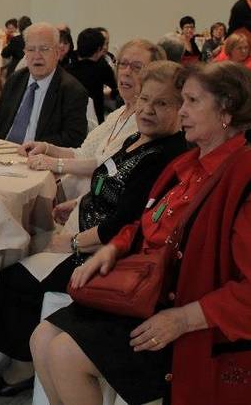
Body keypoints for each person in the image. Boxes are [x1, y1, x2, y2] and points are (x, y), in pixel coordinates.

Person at [31, 61, 251, 405]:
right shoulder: (190, 162)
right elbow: (145, 222)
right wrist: (112, 249)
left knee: (65, 355)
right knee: (41, 338)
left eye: (192, 102)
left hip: (191, 320)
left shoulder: (241, 176)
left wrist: (183, 318)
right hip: (145, 291)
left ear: (225, 110)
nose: (182, 112)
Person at [0, 61, 187, 398]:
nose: (147, 109)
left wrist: (73, 242)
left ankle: (18, 368)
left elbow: (123, 225)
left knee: (15, 276)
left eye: (162, 103)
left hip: (105, 261)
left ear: (181, 109)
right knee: (34, 314)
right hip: (88, 239)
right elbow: (109, 187)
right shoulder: (138, 139)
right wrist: (78, 206)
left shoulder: (162, 155)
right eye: (144, 100)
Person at [21, 39, 166, 198]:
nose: (126, 71)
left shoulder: (147, 121)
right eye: (122, 64)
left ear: (154, 78)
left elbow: (109, 164)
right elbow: (83, 153)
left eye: (137, 67)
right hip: (72, 194)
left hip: (96, 202)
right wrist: (47, 148)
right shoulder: (118, 113)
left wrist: (55, 164)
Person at [0, 22, 89, 148]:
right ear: (25, 53)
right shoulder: (16, 79)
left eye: (44, 49)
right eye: (31, 50)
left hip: (38, 159)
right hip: (1, 153)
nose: (37, 56)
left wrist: (38, 146)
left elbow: (74, 138)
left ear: (57, 53)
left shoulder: (72, 91)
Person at [68, 28, 118, 124]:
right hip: (95, 121)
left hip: (70, 119)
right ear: (99, 49)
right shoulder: (102, 67)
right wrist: (109, 94)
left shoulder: (67, 69)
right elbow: (116, 91)